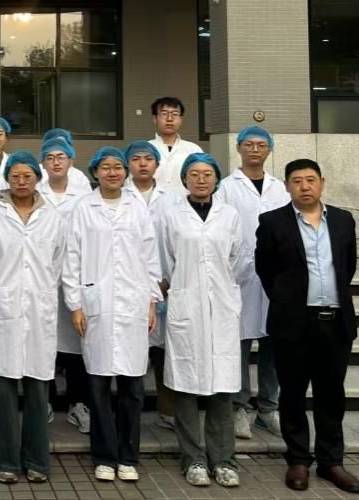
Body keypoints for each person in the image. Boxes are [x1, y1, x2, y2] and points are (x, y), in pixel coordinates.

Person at [255, 160, 359, 494]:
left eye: (310, 180)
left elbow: (348, 266)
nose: (304, 186)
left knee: (331, 394)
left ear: (322, 183)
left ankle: (331, 462)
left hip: (335, 322)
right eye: (297, 181)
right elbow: (265, 270)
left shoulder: (343, 220)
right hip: (293, 323)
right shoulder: (272, 222)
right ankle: (298, 459)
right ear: (287, 186)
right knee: (292, 393)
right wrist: (288, 301)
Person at [63, 147, 162, 483]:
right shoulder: (83, 208)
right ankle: (104, 455)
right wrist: (76, 304)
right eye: (105, 167)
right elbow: (72, 258)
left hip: (134, 304)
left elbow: (150, 257)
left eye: (118, 167)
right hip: (97, 306)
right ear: (95, 172)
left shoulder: (137, 208)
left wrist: (151, 302)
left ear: (125, 172)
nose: (112, 172)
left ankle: (128, 455)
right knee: (99, 386)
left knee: (132, 388)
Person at [0, 152, 66, 485]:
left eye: (28, 176)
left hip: (39, 309)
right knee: (3, 388)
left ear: (37, 179)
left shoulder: (52, 217)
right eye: (15, 176)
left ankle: (37, 460)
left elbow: (57, 263)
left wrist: (39, 293)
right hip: (4, 309)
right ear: (7, 179)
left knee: (38, 388)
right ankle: (5, 460)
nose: (22, 182)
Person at [159, 153, 242, 489]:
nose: (201, 179)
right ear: (184, 179)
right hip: (187, 304)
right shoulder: (172, 215)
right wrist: (184, 287)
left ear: (216, 178)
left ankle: (223, 460)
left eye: (207, 174)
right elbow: (167, 260)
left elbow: (235, 256)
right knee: (186, 385)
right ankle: (192, 458)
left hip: (221, 306)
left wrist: (217, 286)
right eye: (194, 174)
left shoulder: (230, 215)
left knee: (222, 387)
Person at [216, 126, 289, 440]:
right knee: (239, 345)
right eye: (249, 144)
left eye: (261, 145)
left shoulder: (280, 188)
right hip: (239, 275)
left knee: (274, 343)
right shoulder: (226, 187)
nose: (255, 150)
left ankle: (268, 408)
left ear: (269, 149)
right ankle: (239, 407)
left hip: (275, 277)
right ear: (238, 148)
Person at [38, 137, 92, 434]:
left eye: (61, 157)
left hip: (76, 273)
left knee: (75, 341)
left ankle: (77, 403)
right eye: (50, 157)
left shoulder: (84, 196)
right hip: (42, 275)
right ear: (43, 164)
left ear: (71, 161)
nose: (56, 162)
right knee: (43, 339)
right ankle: (44, 399)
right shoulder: (36, 193)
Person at [124, 140, 177, 432]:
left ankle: (167, 409)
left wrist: (168, 279)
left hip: (165, 282)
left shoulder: (171, 199)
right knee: (130, 348)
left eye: (148, 158)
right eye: (136, 159)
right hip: (128, 283)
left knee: (164, 351)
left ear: (157, 164)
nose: (142, 163)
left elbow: (175, 240)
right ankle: (128, 409)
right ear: (128, 164)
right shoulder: (119, 195)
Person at [148, 97, 201, 194]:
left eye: (175, 114)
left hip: (184, 202)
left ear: (181, 119)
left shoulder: (193, 150)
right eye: (164, 114)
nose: (169, 119)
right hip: (152, 202)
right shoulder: (146, 149)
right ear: (155, 119)